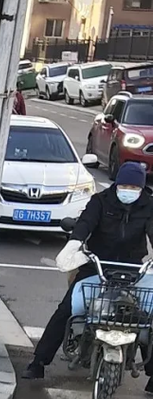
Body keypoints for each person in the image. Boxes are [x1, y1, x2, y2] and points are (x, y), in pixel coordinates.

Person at [22, 161, 153, 383]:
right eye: (125, 187)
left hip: (133, 269)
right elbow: (85, 224)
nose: (128, 192)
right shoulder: (100, 201)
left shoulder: (149, 206)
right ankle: (38, 362)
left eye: (134, 189)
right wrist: (74, 244)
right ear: (117, 184)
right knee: (68, 309)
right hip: (97, 264)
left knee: (147, 317)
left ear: (141, 189)